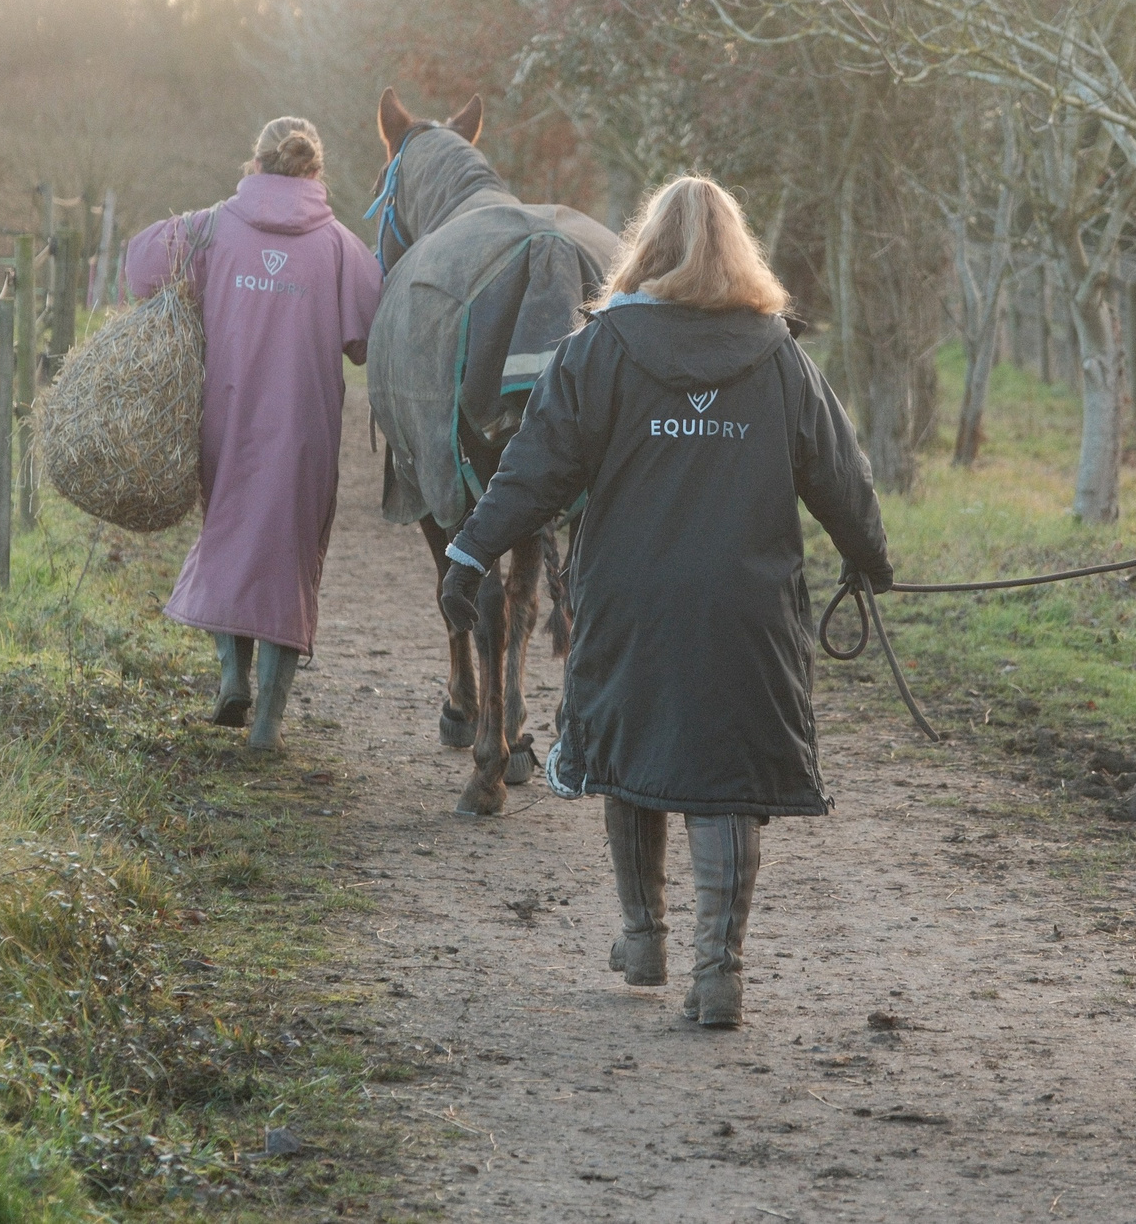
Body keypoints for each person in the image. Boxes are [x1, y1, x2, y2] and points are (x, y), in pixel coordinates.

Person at [436, 174, 890, 1028]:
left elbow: (535, 467)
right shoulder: (779, 357)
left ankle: (643, 936)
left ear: (647, 248)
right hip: (746, 611)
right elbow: (840, 472)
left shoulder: (600, 347)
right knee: (727, 777)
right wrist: (871, 558)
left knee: (635, 752)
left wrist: (469, 548)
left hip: (631, 601)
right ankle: (719, 975)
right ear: (738, 251)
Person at [122, 117, 381, 749]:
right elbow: (368, 337)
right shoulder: (341, 248)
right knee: (289, 555)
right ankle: (268, 722)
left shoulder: (211, 228)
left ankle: (232, 676)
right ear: (315, 172)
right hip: (304, 426)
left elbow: (140, 266)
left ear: (256, 165)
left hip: (227, 415)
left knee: (229, 534)